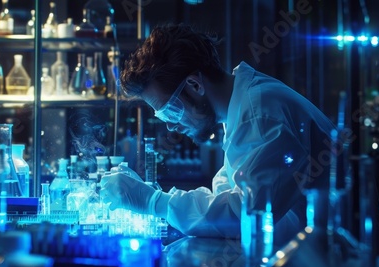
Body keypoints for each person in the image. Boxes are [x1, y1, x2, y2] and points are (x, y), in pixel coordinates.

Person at [100, 23, 339, 243]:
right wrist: (155, 200)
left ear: (195, 85)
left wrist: (153, 201)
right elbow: (228, 198)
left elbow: (245, 217)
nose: (170, 126)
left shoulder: (259, 114)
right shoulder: (242, 108)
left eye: (170, 111)